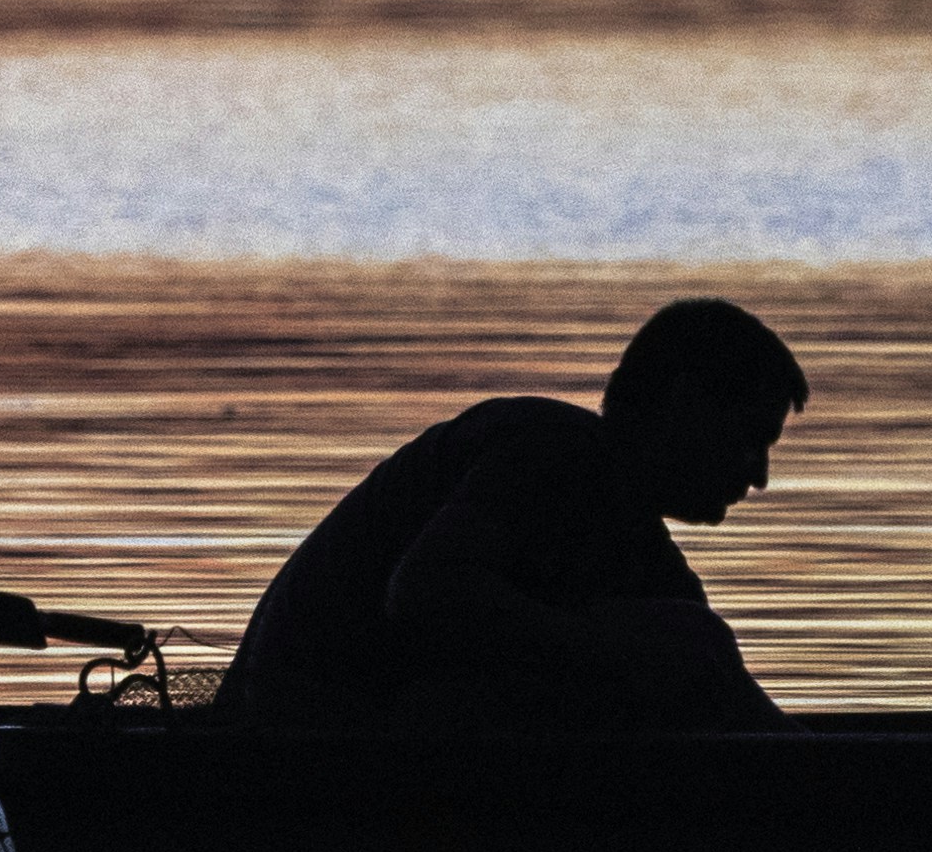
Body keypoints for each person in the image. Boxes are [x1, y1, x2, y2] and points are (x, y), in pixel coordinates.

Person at [221, 296, 807, 726]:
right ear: (684, 406)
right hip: (297, 743)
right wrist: (621, 654)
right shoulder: (550, 451)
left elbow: (710, 679)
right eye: (750, 439)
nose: (758, 476)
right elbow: (425, 592)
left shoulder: (645, 555)